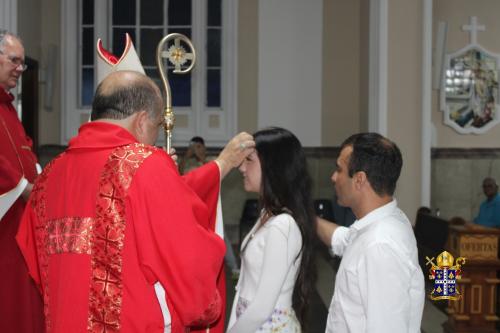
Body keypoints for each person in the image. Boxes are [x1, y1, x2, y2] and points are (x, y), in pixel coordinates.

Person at [16, 70, 255, 333]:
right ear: (142, 121)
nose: (154, 138)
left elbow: (35, 262)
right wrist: (206, 305)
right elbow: (186, 261)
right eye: (155, 128)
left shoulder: (48, 176)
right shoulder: (143, 164)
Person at [316, 132, 425, 333]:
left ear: (359, 179)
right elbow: (343, 239)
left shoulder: (380, 245)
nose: (333, 177)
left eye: (339, 169)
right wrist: (304, 215)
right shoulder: (385, 220)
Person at [227, 127, 316, 333]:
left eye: (249, 160)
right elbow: (243, 289)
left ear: (272, 167)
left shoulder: (282, 225)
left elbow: (261, 307)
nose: (241, 168)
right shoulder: (268, 215)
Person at [0, 30, 45, 333]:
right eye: (14, 60)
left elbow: (25, 149)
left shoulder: (8, 108)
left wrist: (42, 179)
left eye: (22, 63)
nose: (19, 68)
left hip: (23, 218)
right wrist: (21, 187)